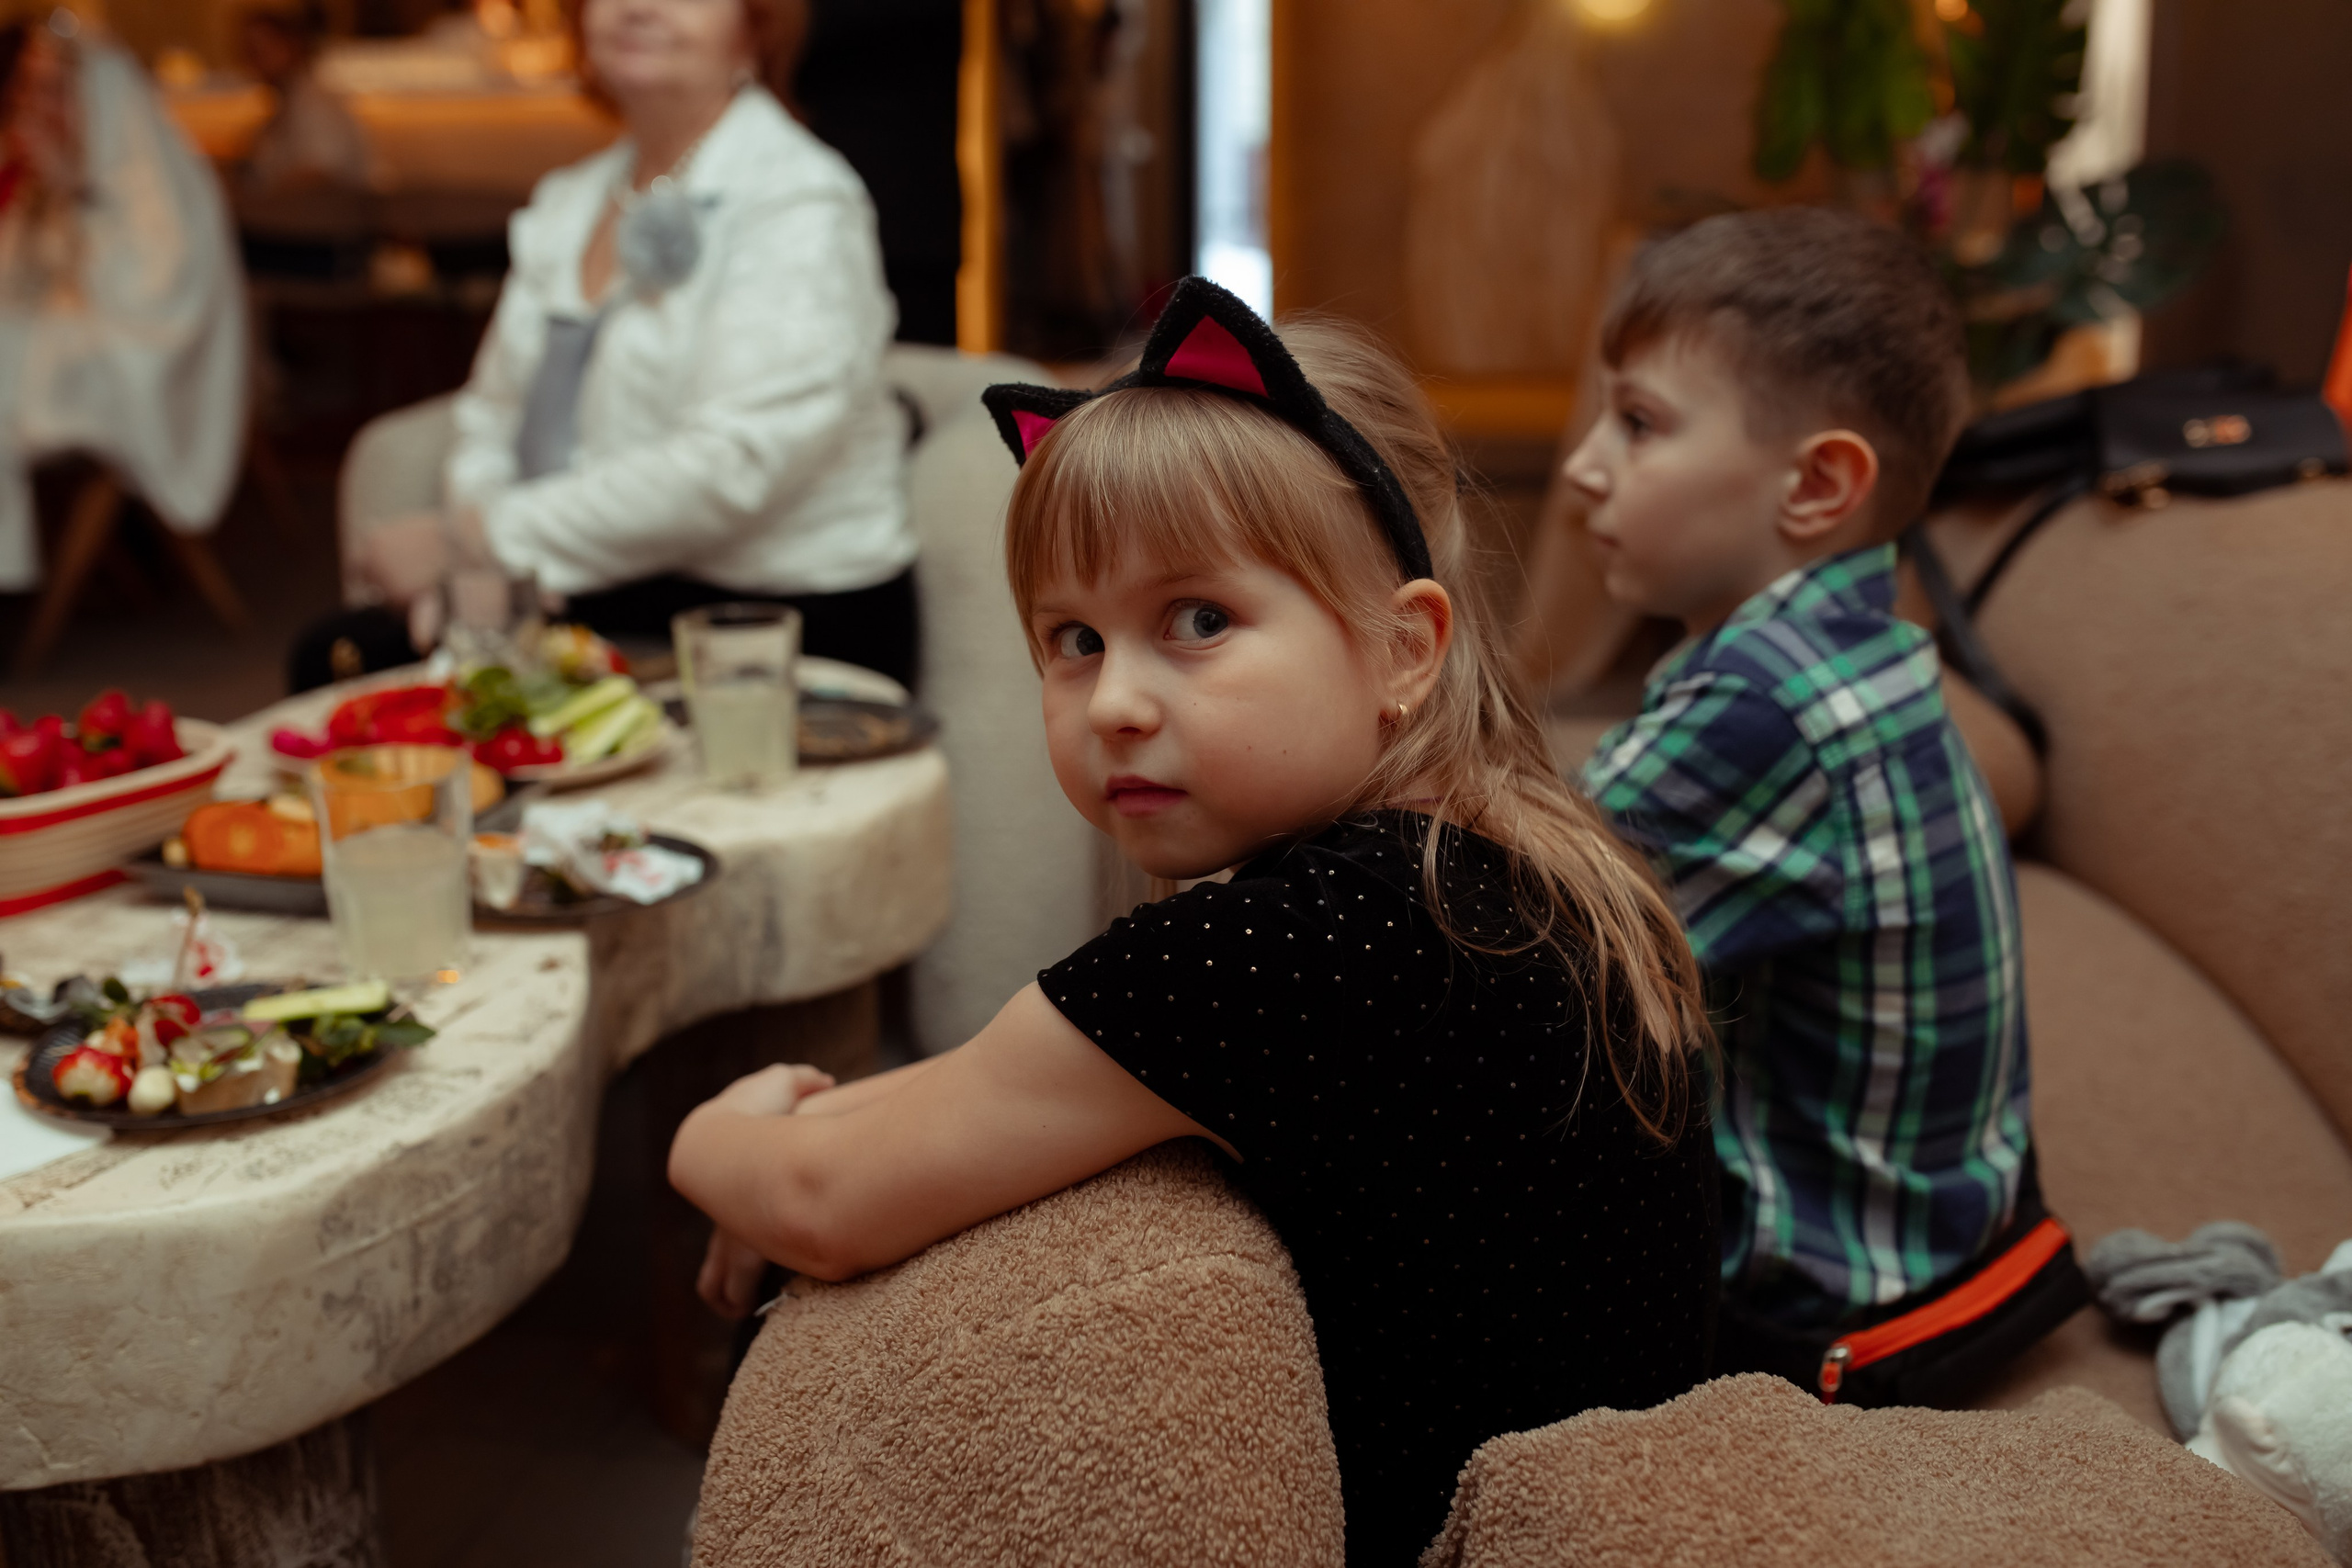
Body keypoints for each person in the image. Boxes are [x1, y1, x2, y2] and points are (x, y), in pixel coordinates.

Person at [667, 279, 1720, 1563]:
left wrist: (715, 1134)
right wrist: (820, 1127)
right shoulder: (1486, 859)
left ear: (1402, 648)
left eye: (1199, 620)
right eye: (1072, 636)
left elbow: (827, 1203)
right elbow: (987, 1088)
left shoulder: (1306, 941)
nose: (1114, 700)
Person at [1567, 208, 2041, 1392]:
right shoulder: (1850, 647)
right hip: (1954, 1219)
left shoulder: (1762, 703)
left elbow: (1521, 912)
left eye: (1638, 424)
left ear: (1818, 484)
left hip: (1841, 1295)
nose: (1582, 462)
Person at [291, 0, 917, 690]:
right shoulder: (572, 198)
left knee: (347, 661)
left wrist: (482, 541)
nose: (637, 6)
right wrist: (492, 570)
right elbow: (490, 416)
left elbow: (735, 464)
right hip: (602, 581)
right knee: (345, 660)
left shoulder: (801, 197)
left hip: (779, 612)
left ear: (756, 26)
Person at [0, 10, 246, 592]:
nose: (38, 105)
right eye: (31, 88)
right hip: (72, 343)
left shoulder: (155, 177)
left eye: (55, 91)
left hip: (144, 360)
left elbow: (153, 302)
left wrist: (73, 197)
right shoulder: (68, 160)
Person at [236, 1, 377, 195]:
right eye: (249, 52)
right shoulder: (284, 106)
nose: (255, 62)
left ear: (292, 46)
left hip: (325, 223)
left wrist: (264, 195)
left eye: (262, 50)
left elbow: (320, 171)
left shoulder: (316, 104)